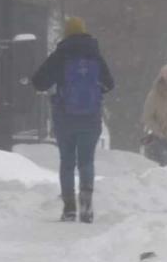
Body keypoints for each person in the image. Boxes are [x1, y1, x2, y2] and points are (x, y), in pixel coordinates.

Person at [32, 17, 114, 223]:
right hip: (90, 117)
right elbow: (110, 83)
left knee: (67, 161)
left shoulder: (60, 55)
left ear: (66, 34)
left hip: (64, 116)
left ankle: (69, 207)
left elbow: (39, 82)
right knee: (86, 160)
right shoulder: (95, 54)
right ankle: (86, 204)